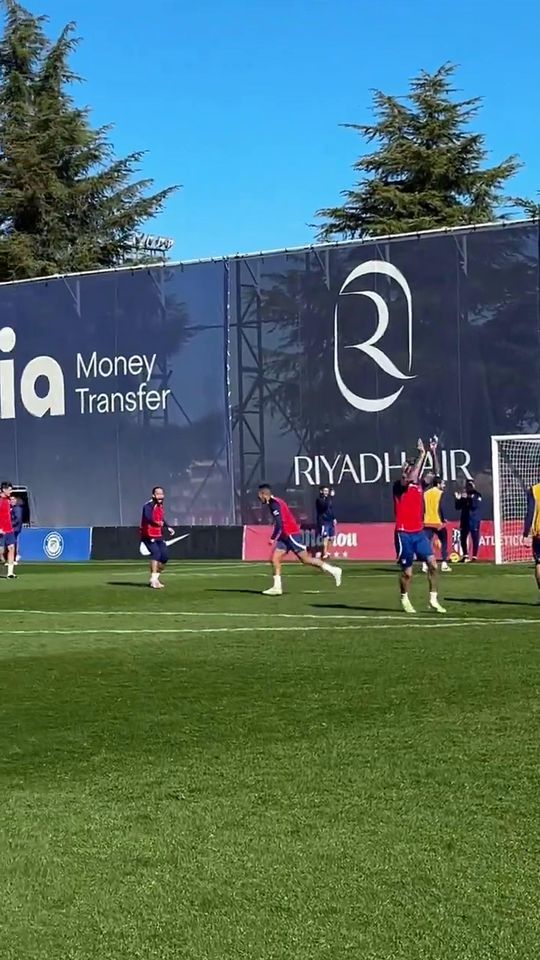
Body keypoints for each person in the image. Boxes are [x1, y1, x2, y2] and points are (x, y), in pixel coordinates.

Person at [258, 484, 342, 596]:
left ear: (264, 494)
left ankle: (334, 570)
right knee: (275, 559)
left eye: (260, 496)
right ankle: (277, 587)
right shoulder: (275, 502)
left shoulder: (274, 504)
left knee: (306, 559)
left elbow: (279, 524)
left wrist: (273, 538)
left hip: (291, 534)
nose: (259, 498)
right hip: (285, 536)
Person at [394, 441, 446, 614]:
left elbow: (436, 474)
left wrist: (433, 452)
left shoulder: (420, 486)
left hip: (418, 532)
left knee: (433, 565)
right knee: (407, 573)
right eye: (408, 467)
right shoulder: (400, 485)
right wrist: (421, 456)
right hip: (403, 534)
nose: (411, 470)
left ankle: (433, 599)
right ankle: (404, 597)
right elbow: (411, 476)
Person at [422, 439, 450, 573]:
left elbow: (436, 471)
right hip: (437, 522)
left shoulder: (424, 492)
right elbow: (441, 507)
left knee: (426, 544)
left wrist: (432, 451)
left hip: (426, 522)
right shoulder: (439, 492)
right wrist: (433, 452)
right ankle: (444, 562)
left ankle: (424, 564)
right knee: (444, 541)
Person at [140, 486, 175, 589]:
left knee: (164, 557)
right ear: (153, 495)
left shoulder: (160, 506)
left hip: (158, 534)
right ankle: (154, 580)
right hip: (148, 534)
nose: (161, 496)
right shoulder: (148, 506)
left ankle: (155, 578)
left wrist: (168, 527)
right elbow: (148, 517)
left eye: (162, 494)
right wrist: (156, 523)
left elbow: (161, 519)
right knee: (156, 553)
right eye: (158, 494)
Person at [454, 479, 482, 562]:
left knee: (475, 537)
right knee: (463, 537)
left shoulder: (477, 495)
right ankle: (465, 555)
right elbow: (458, 507)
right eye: (467, 485)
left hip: (474, 519)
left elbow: (474, 505)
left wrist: (468, 498)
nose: (467, 487)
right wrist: (458, 499)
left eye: (469, 485)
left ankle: (474, 556)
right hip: (465, 519)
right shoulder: (464, 495)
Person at [523, 481, 540, 594]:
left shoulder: (534, 490)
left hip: (539, 533)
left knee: (539, 563)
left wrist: (526, 533)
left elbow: (530, 512)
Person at [0, 481, 16, 579]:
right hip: (1, 531)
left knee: (11, 548)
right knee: (0, 553)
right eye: (9, 489)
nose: (11, 491)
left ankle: (10, 573)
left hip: (9, 530)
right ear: (4, 490)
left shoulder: (8, 500)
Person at [315, 486, 336, 559]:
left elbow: (331, 509)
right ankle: (324, 553)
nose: (326, 492)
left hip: (330, 521)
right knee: (325, 537)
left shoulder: (328, 499)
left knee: (332, 537)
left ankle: (327, 552)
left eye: (327, 491)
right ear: (321, 491)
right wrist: (330, 498)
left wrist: (333, 518)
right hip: (324, 521)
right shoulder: (319, 500)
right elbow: (324, 507)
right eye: (325, 491)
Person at [9, 494, 23, 566]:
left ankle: (14, 558)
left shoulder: (17, 508)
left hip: (15, 528)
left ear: (16, 500)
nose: (12, 501)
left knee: (13, 543)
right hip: (13, 528)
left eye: (13, 499)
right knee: (12, 543)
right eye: (11, 500)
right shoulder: (12, 508)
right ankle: (12, 558)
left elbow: (17, 519)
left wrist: (10, 524)